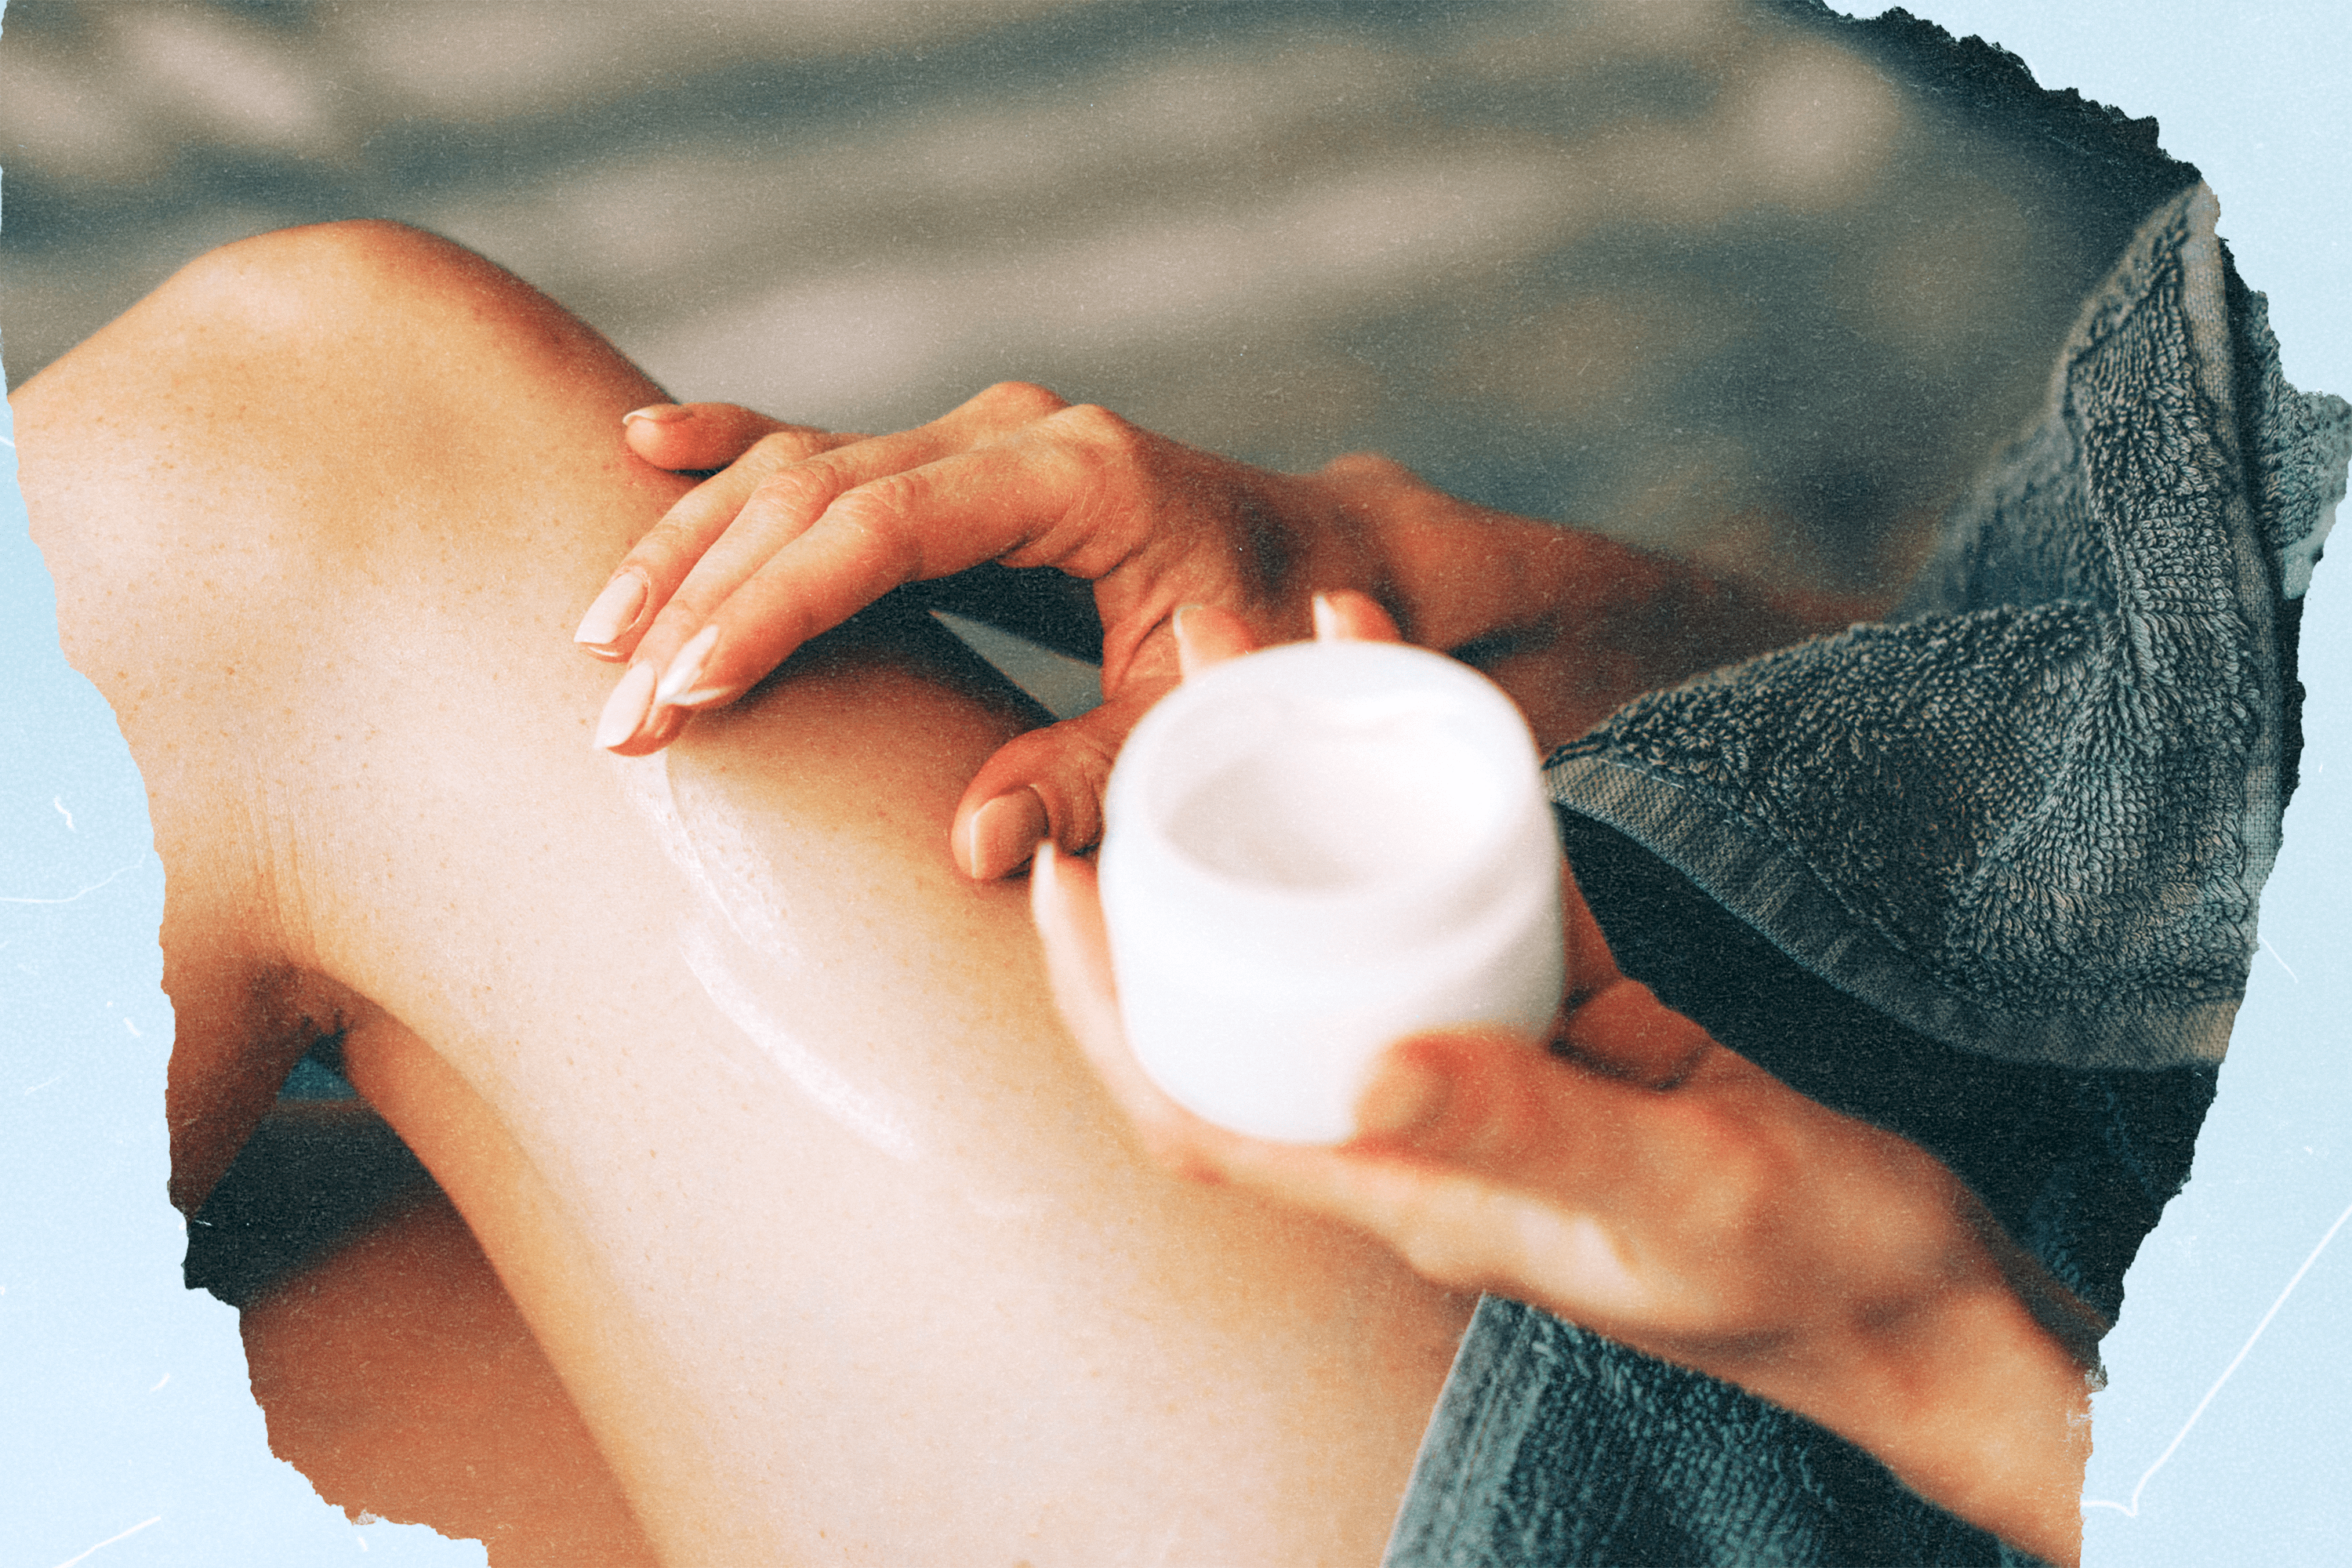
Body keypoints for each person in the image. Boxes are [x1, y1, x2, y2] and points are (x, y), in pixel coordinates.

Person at [27, 215, 2187, 1568]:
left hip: (1914, 1420)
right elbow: (2191, 726)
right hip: (1891, 1117)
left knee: (297, 458)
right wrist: (1496, 610)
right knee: (231, 1370)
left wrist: (1950, 1362)